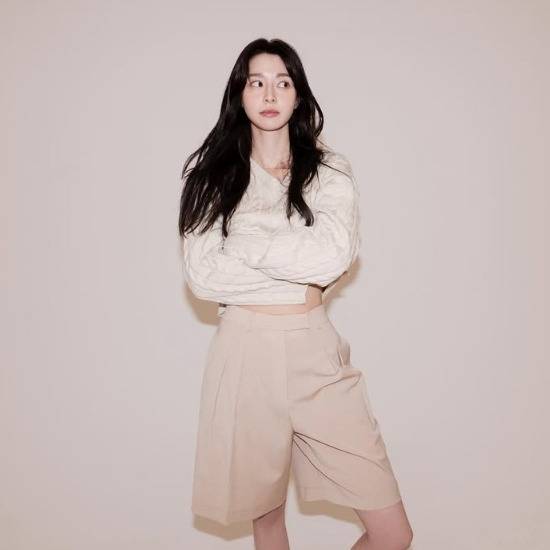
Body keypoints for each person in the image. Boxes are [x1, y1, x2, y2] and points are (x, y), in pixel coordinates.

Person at [179, 38, 413, 550]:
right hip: (244, 352)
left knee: (392, 533)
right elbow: (204, 277)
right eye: (257, 82)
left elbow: (332, 257)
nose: (270, 94)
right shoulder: (211, 176)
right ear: (239, 93)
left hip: (315, 350)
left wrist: (244, 240)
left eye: (282, 82)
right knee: (267, 522)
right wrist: (293, 262)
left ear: (298, 95)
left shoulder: (330, 171)